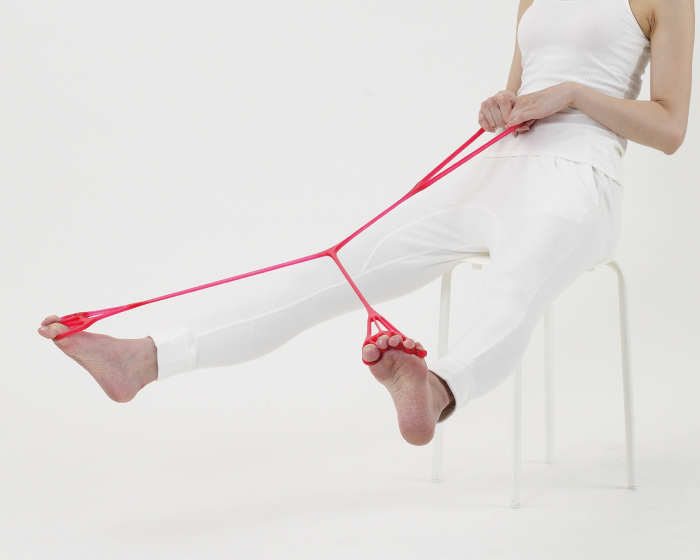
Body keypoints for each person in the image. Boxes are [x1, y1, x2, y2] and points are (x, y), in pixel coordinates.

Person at [38, 0, 694, 447]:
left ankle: (436, 388)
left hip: (579, 178)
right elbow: (520, 95)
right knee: (333, 271)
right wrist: (503, 103)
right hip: (493, 171)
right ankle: (146, 358)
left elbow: (669, 127)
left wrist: (574, 94)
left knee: (513, 286)